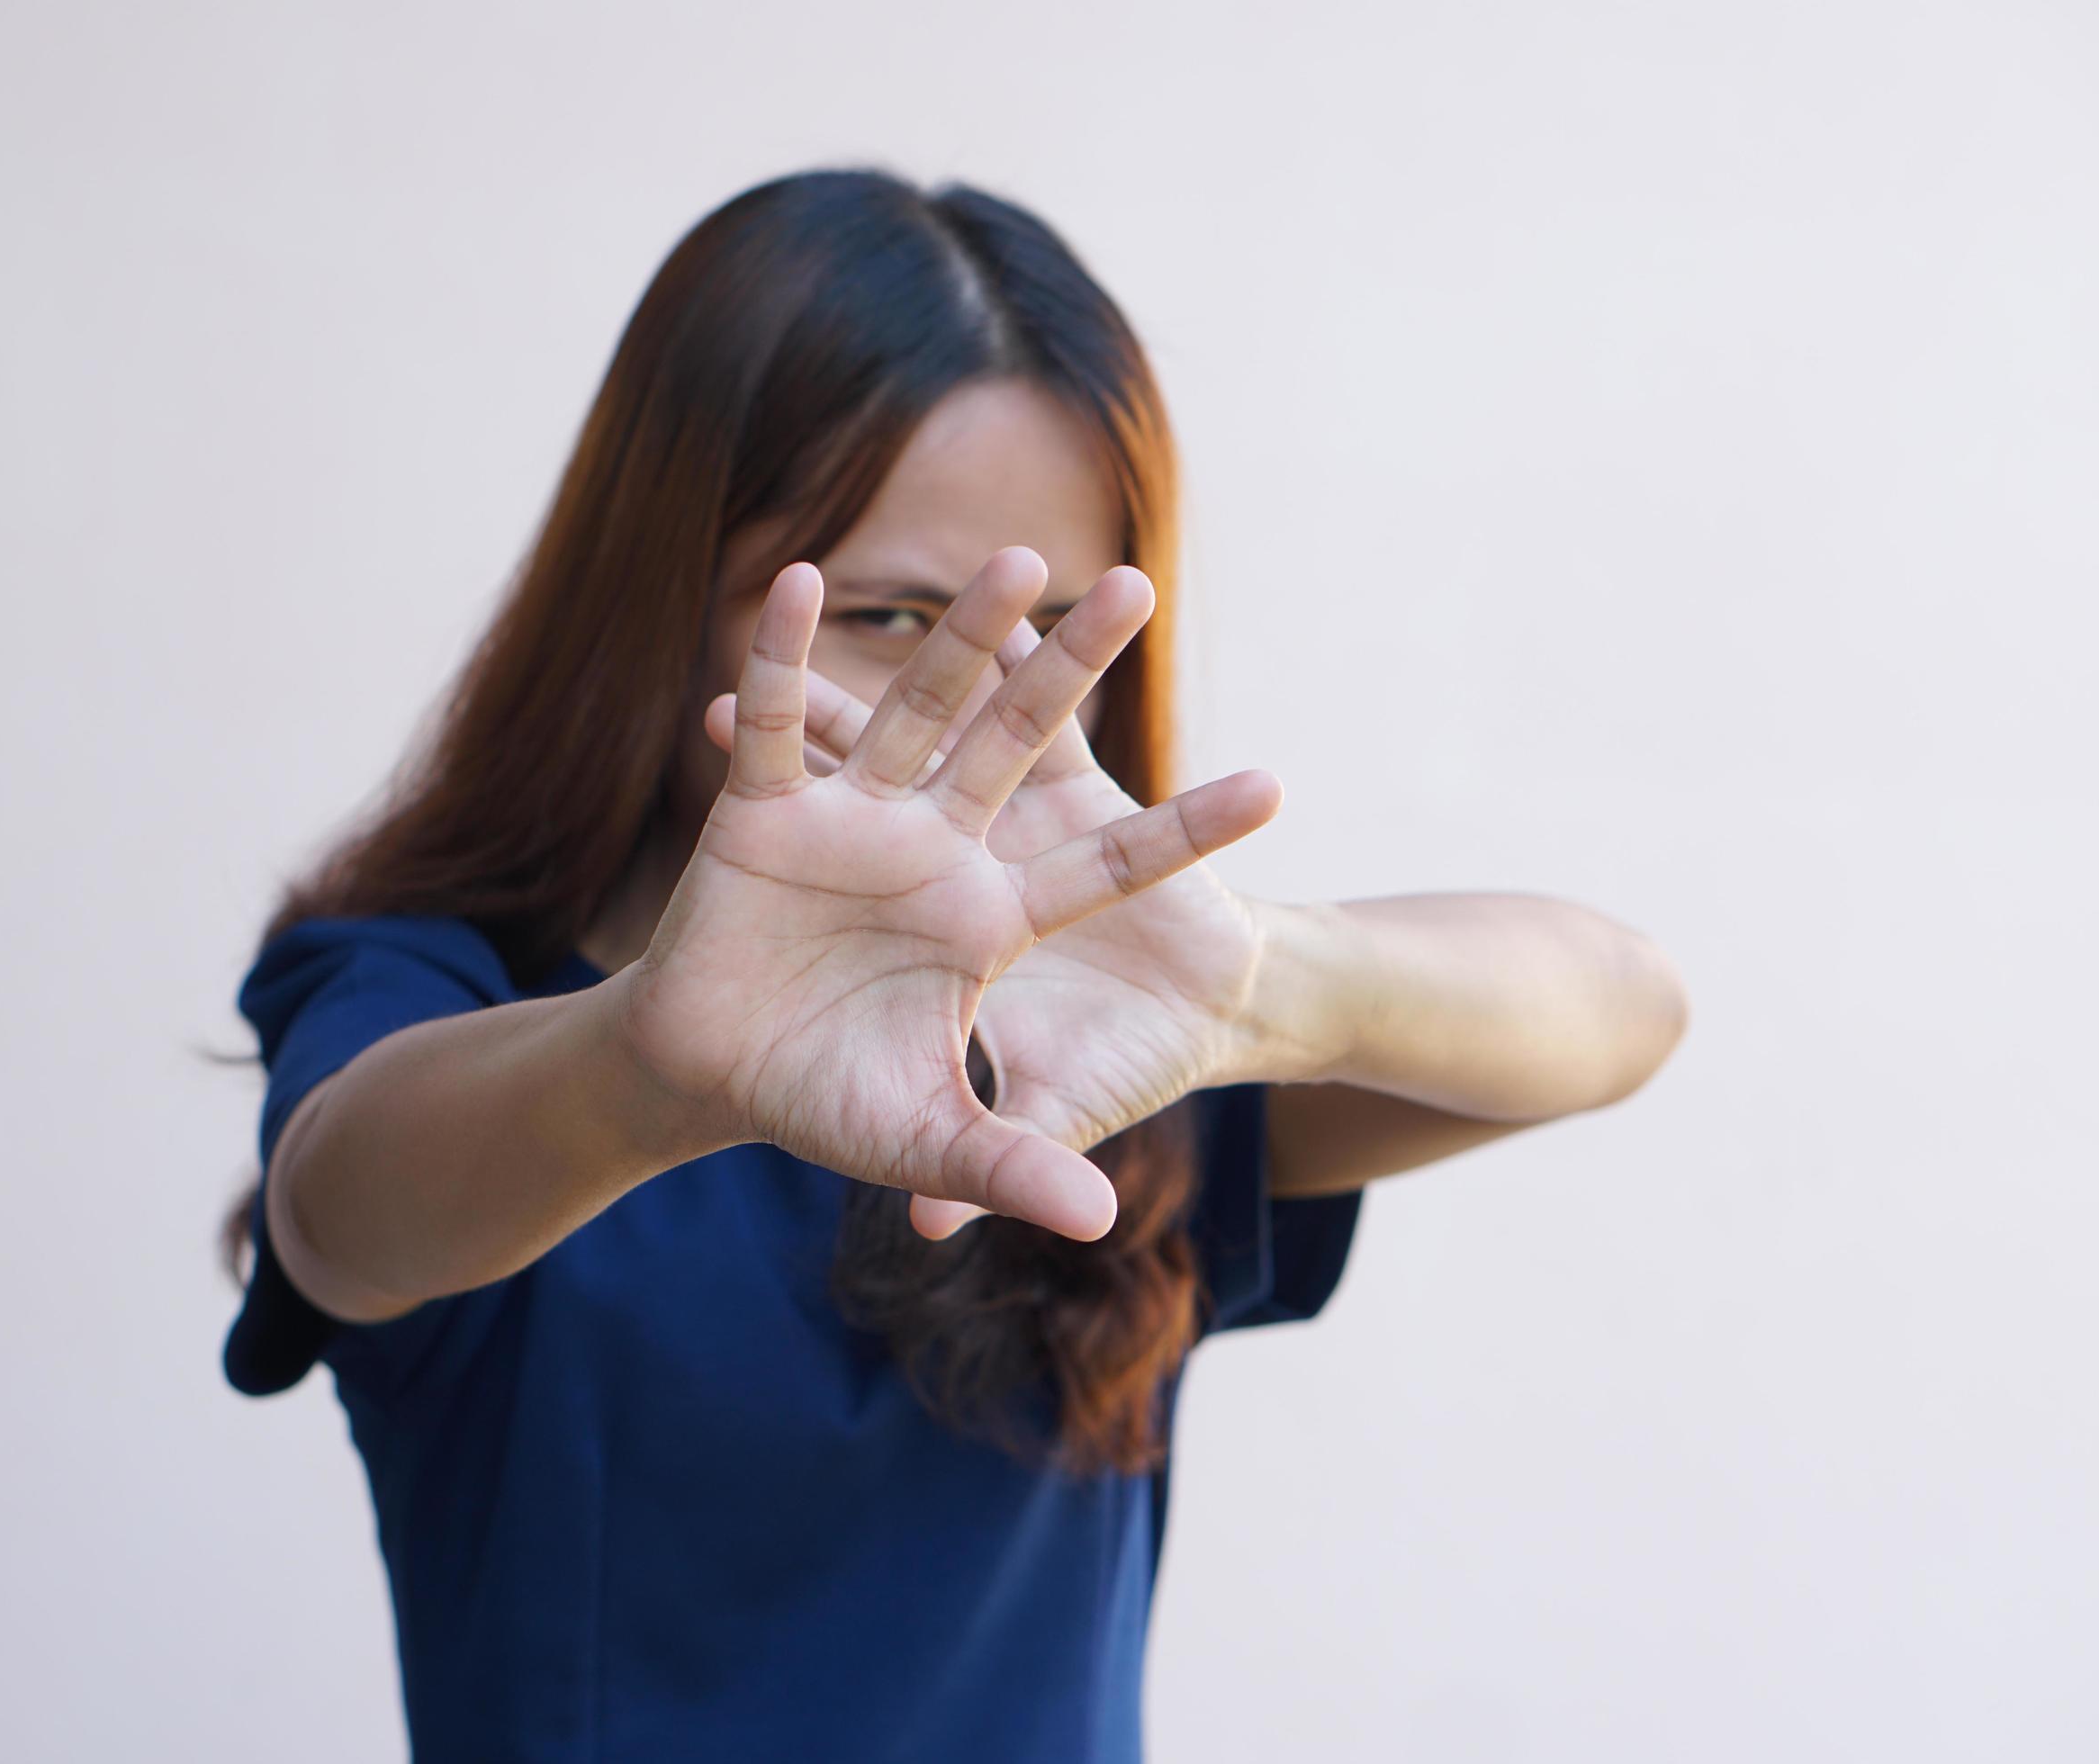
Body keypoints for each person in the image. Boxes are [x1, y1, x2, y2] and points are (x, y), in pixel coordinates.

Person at [214, 166, 1689, 1762]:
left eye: (1052, 634)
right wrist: (646, 1065)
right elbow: (337, 1210)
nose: (982, 709)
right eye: (893, 617)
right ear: (660, 610)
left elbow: (1626, 1005)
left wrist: (1264, 986)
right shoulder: (440, 993)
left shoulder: (1098, 1039)